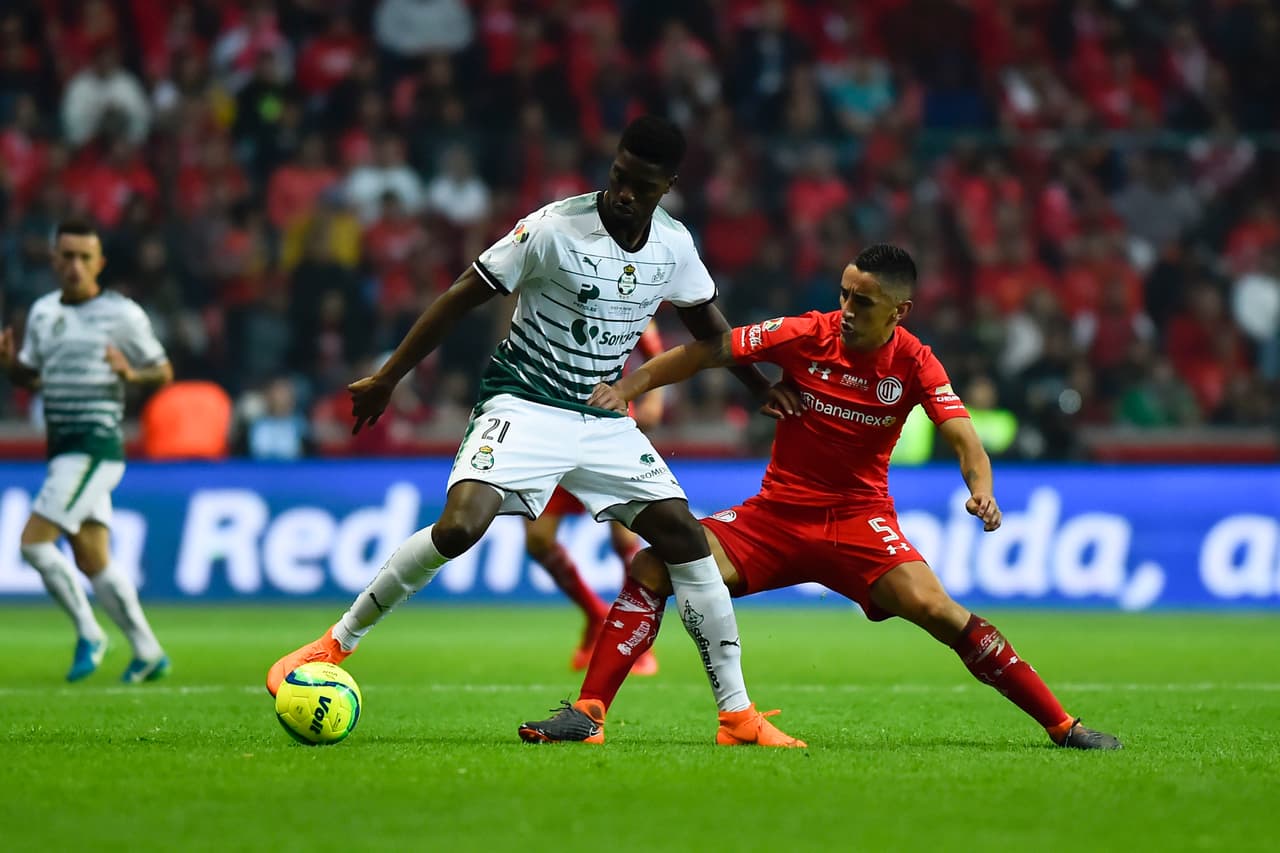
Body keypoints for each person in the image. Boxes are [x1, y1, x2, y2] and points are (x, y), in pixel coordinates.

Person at [265, 115, 804, 747]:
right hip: (522, 404)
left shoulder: (673, 245)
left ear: (668, 186)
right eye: (619, 176)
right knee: (459, 527)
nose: (624, 193)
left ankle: (736, 715)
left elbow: (711, 332)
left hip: (602, 415)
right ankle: (335, 642)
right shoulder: (553, 228)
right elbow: (463, 294)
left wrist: (759, 386)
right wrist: (390, 377)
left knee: (685, 539)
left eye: (641, 185)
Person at [519, 244, 1122, 750]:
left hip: (860, 526)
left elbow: (965, 437)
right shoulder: (808, 333)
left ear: (900, 310)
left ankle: (1062, 725)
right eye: (844, 294)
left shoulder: (915, 362)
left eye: (863, 302)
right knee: (653, 563)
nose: (847, 310)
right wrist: (633, 384)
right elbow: (711, 350)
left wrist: (982, 492)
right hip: (775, 519)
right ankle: (589, 713)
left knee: (942, 612)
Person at [0, 221, 174, 683]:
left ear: (100, 263)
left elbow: (162, 370)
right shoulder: (42, 313)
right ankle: (148, 650)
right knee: (94, 560)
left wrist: (130, 375)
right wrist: (11, 368)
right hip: (61, 448)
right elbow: (34, 377)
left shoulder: (121, 315)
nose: (75, 265)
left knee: (33, 545)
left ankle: (89, 632)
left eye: (84, 257)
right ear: (54, 260)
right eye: (67, 256)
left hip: (95, 446)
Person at [525, 321, 664, 675]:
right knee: (539, 540)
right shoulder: (551, 304)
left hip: (609, 429)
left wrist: (654, 398)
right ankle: (595, 615)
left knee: (624, 536)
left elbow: (655, 351)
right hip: (557, 431)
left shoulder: (628, 303)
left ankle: (632, 642)